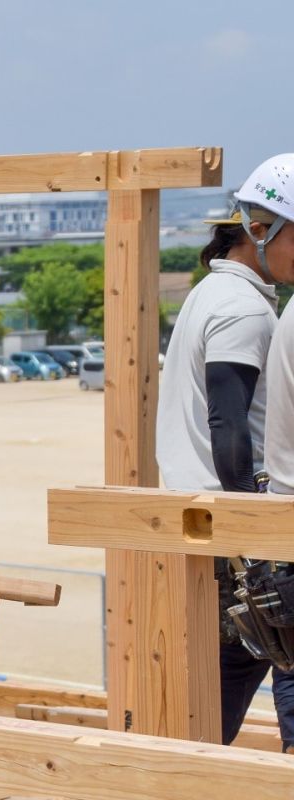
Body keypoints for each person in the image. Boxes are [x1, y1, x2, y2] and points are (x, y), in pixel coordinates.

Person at [156, 153, 294, 747]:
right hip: (235, 535)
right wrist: (253, 536)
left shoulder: (212, 292)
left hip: (209, 528)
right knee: (273, 665)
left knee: (217, 699)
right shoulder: (242, 309)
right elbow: (229, 426)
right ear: (259, 231)